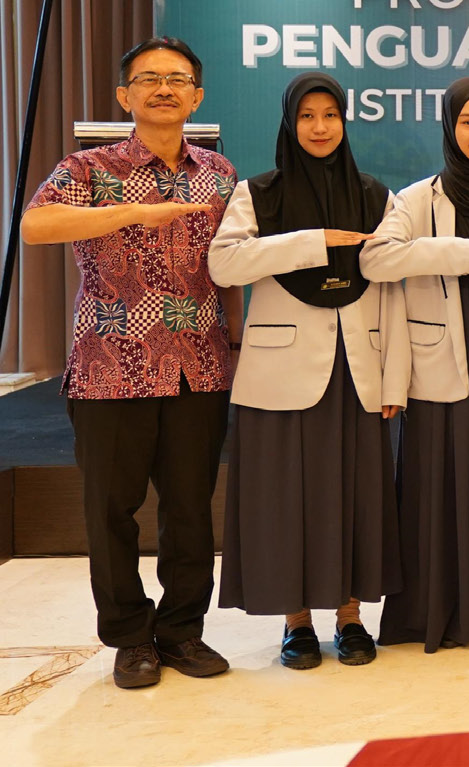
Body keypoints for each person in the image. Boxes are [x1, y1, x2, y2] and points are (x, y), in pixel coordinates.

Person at [19, 37, 236, 689]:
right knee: (110, 508)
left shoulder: (220, 174)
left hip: (199, 364)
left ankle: (181, 631)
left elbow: (229, 268)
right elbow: (34, 226)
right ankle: (129, 637)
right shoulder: (88, 167)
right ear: (125, 96)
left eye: (177, 79)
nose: (163, 88)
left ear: (197, 96)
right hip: (111, 366)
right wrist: (133, 212)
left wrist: (239, 342)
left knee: (192, 508)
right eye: (149, 79)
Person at [207, 71, 405, 671]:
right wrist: (311, 240)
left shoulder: (375, 194)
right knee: (286, 497)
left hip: (356, 369)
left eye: (331, 116)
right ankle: (296, 622)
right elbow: (223, 266)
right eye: (307, 117)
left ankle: (349, 618)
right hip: (280, 373)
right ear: (289, 124)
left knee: (352, 494)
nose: (319, 128)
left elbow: (394, 280)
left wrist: (394, 375)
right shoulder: (257, 193)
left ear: (345, 122)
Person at [363, 77, 469, 652]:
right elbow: (377, 259)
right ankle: (437, 612)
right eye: (468, 122)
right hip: (438, 356)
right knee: (440, 480)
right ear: (449, 127)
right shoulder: (414, 199)